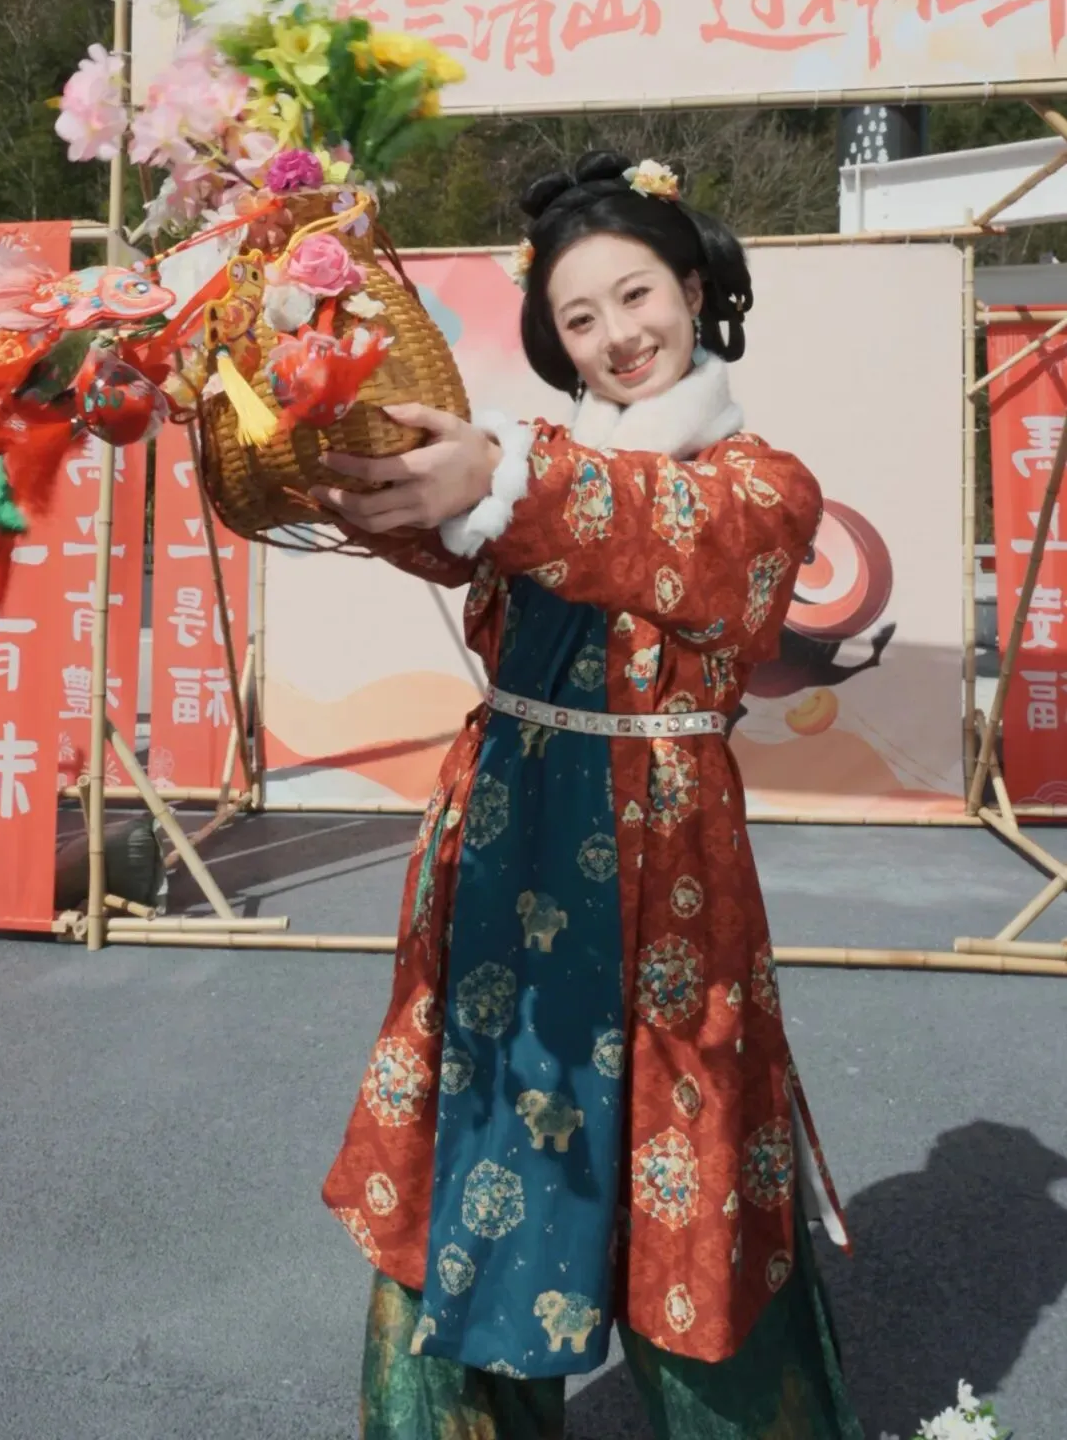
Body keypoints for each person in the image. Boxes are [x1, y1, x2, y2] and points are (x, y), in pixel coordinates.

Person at [314, 151, 864, 1440]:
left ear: (693, 288)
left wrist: (497, 480)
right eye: (578, 318)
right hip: (508, 843)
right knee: (485, 1136)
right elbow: (429, 518)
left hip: (667, 863)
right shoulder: (527, 465)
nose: (617, 335)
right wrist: (327, 444)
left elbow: (661, 532)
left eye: (635, 295)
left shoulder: (759, 485)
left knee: (689, 1151)